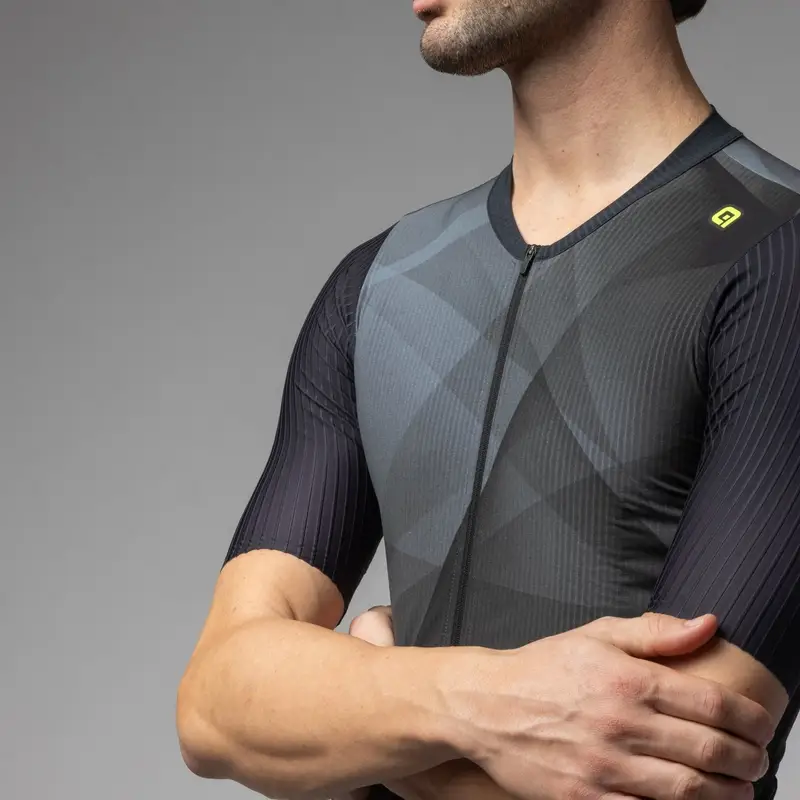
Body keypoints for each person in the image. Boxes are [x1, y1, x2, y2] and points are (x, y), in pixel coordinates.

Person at [176, 0, 800, 798]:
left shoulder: (778, 257)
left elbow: (666, 774)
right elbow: (213, 708)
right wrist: (471, 705)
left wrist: (364, 713)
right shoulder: (382, 282)